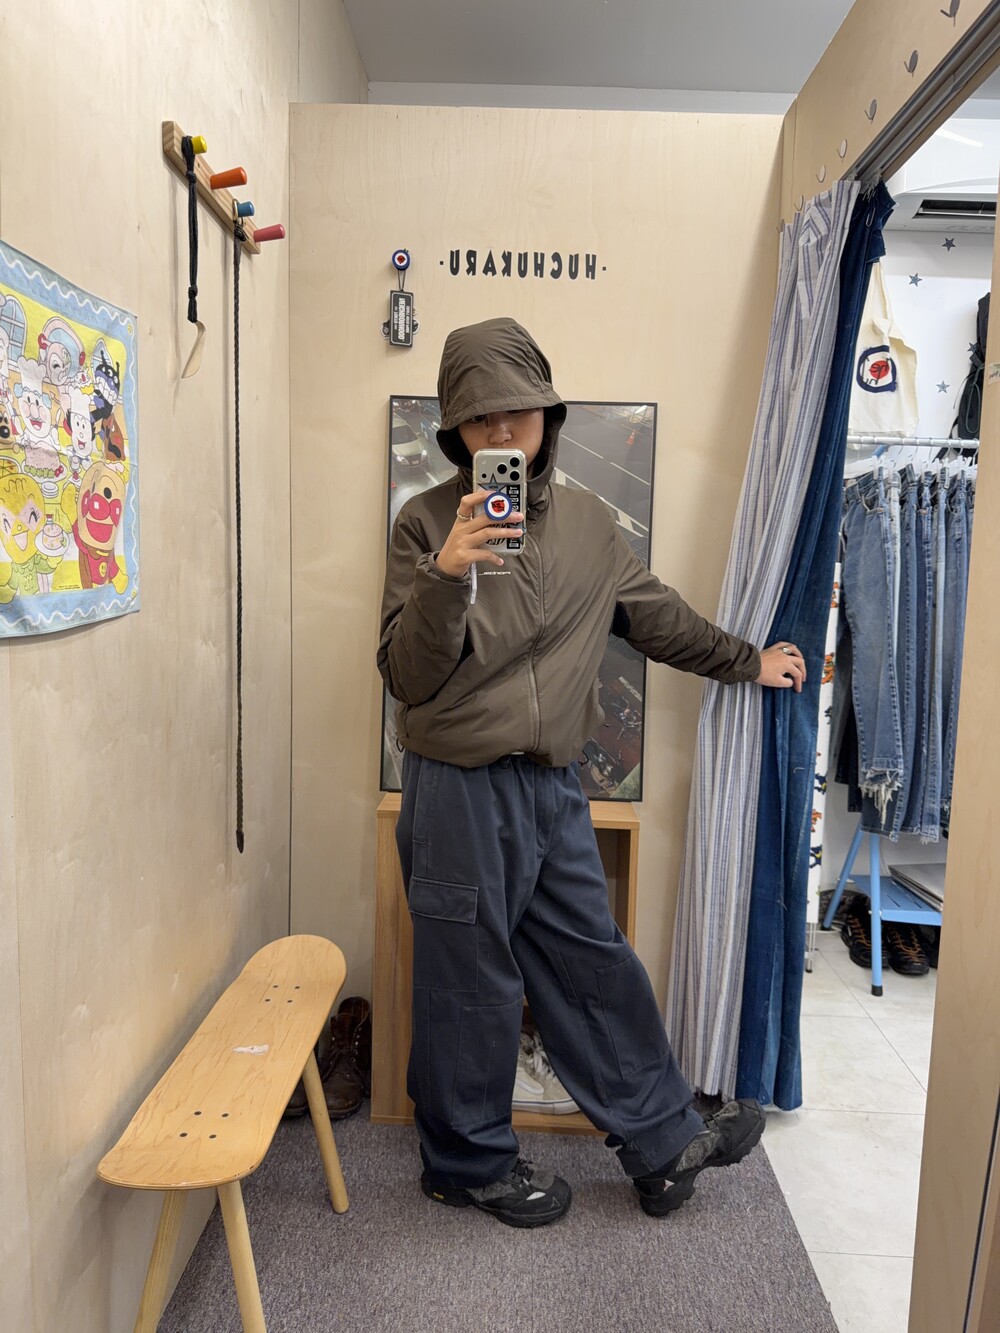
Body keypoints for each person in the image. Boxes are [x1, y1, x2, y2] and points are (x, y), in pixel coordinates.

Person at [377, 317, 806, 1229]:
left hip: (553, 788)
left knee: (592, 961)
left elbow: (659, 618)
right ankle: (465, 1165)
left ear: (548, 412)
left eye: (516, 411)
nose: (501, 431)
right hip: (457, 790)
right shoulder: (424, 522)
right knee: (471, 983)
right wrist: (446, 575)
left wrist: (747, 661)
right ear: (454, 429)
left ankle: (661, 1140)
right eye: (479, 417)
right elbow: (406, 676)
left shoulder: (589, 525)